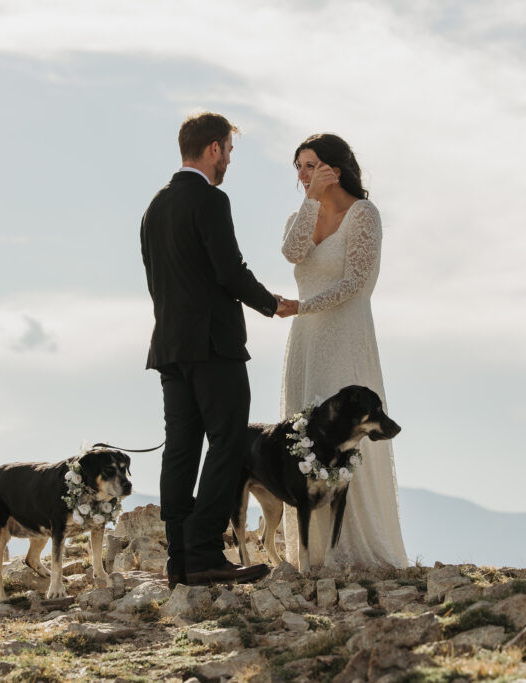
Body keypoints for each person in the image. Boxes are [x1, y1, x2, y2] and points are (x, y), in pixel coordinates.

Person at [141, 111, 295, 588]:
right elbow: (229, 270)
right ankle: (205, 551)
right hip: (214, 344)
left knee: (181, 450)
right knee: (228, 442)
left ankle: (179, 560)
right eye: (228, 150)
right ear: (212, 149)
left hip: (169, 346)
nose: (228, 159)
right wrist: (272, 304)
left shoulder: (154, 207)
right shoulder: (210, 200)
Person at [276, 133, 409, 570]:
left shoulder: (364, 214)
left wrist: (302, 306)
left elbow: (355, 282)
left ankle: (353, 550)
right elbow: (292, 252)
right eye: (298, 167)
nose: (302, 175)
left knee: (346, 431)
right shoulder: (302, 215)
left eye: (311, 165)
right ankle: (311, 554)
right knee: (305, 439)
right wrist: (311, 202)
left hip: (345, 336)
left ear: (335, 167)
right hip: (306, 343)